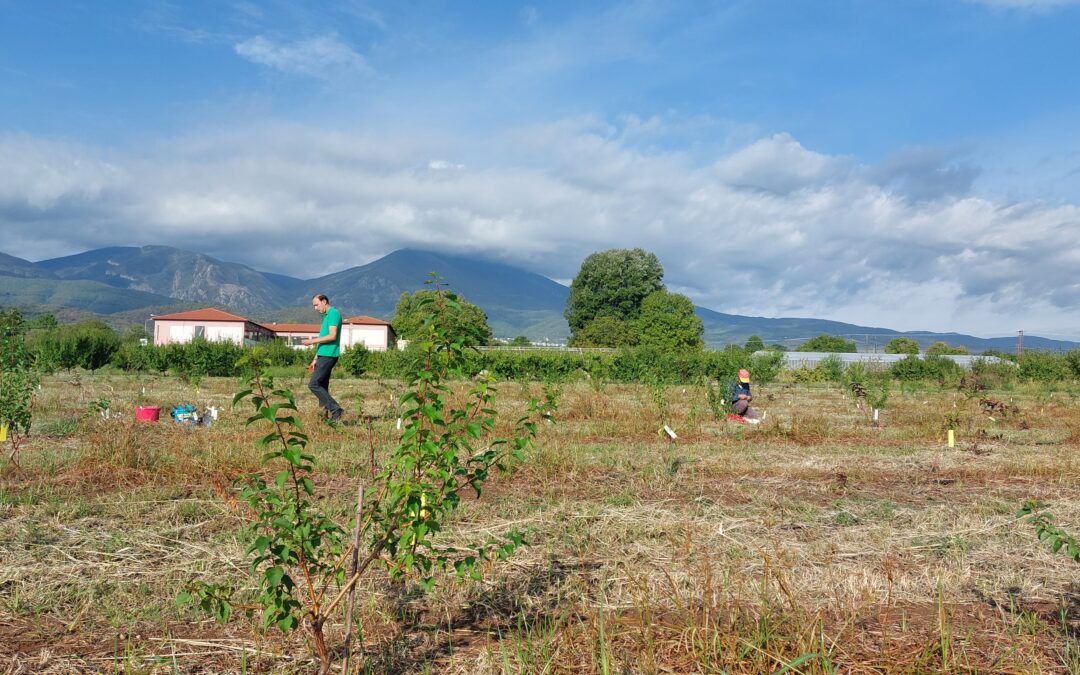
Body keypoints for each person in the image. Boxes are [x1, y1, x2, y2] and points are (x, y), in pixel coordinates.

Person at [302, 294, 345, 421]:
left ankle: (336, 409)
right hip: (323, 355)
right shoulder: (327, 316)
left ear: (324, 301)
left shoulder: (333, 314)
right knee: (322, 386)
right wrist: (315, 358)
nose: (315, 308)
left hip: (329, 354)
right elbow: (323, 340)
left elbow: (332, 336)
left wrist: (312, 341)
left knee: (313, 384)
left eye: (316, 305)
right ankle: (325, 418)